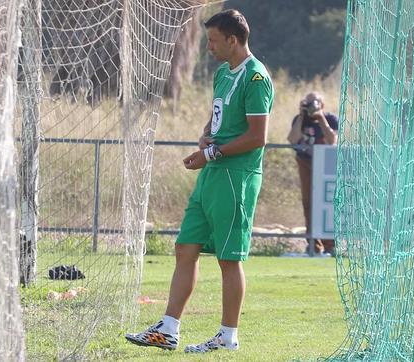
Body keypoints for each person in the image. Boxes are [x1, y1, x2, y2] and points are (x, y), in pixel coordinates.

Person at [125, 9, 274, 354]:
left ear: (233, 41)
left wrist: (211, 154)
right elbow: (218, 112)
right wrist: (207, 134)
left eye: (214, 41)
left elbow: (257, 136)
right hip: (213, 174)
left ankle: (227, 335)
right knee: (185, 247)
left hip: (236, 178)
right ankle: (168, 328)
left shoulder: (256, 77)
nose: (209, 47)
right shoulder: (223, 73)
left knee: (228, 258)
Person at [287, 92, 339, 256]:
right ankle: (313, 245)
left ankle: (330, 245)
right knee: (308, 202)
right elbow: (293, 139)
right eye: (307, 103)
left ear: (322, 104)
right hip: (305, 162)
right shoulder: (300, 119)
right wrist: (302, 116)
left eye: (313, 103)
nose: (310, 106)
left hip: (325, 164)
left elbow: (332, 141)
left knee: (327, 202)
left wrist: (320, 118)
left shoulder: (330, 119)